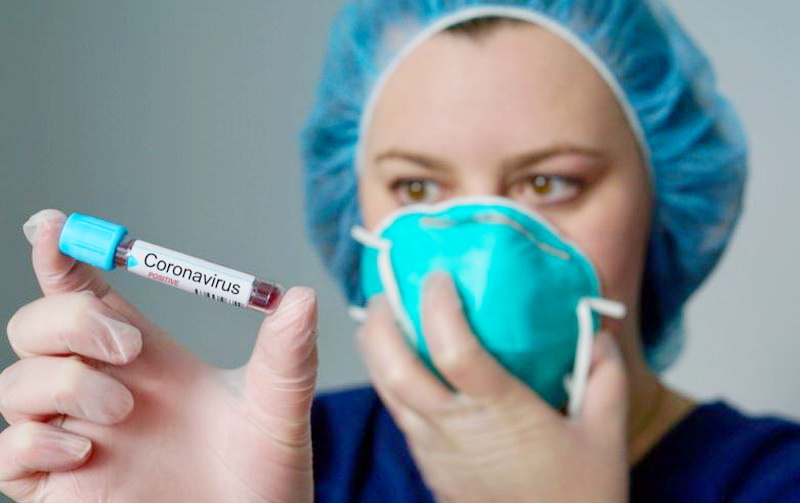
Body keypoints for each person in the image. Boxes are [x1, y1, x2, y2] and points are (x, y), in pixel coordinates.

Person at [1, 1, 799, 501]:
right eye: (418, 188)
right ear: (356, 209)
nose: (481, 245)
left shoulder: (775, 480)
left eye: (548, 182)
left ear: (666, 194)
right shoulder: (285, 456)